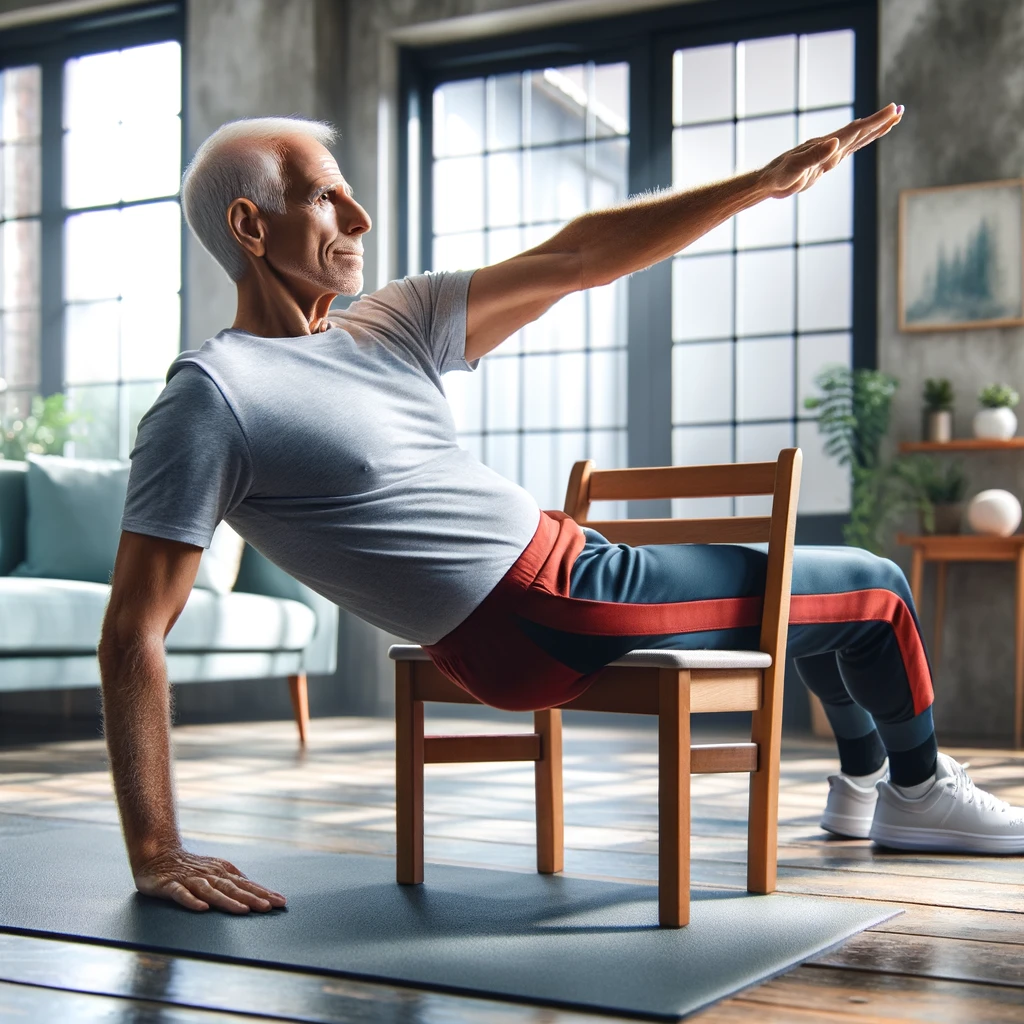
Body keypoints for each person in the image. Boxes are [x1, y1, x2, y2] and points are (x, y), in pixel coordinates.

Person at [98, 104, 1024, 917]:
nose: (360, 216)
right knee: (879, 587)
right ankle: (916, 785)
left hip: (572, 572)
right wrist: (157, 848)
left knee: (810, 596)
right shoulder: (213, 397)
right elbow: (134, 629)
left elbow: (575, 258)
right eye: (326, 198)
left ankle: (864, 783)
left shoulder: (387, 323)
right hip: (541, 611)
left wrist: (761, 185)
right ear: (249, 226)